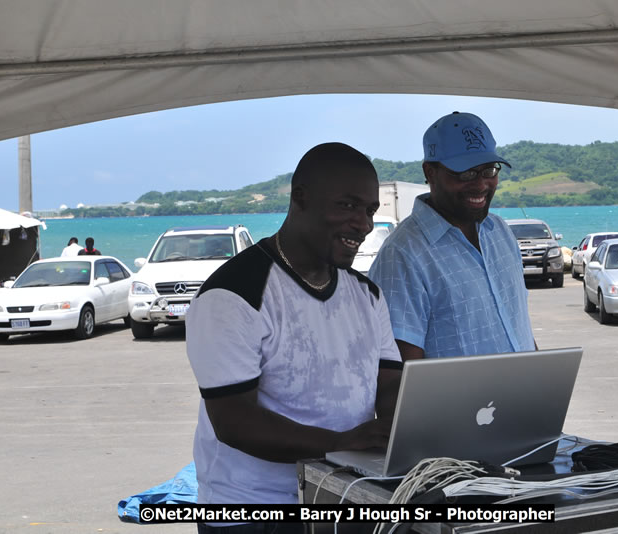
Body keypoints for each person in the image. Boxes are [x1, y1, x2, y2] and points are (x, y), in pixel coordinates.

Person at [185, 142, 402, 533]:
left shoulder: (367, 296)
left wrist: (409, 427)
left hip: (342, 494)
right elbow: (234, 422)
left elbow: (389, 384)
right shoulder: (232, 295)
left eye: (370, 210)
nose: (364, 224)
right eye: (348, 206)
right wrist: (344, 443)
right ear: (300, 198)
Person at [369, 111, 535, 361]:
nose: (480, 185)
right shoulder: (402, 255)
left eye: (489, 170)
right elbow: (401, 368)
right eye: (466, 173)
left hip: (526, 398)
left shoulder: (500, 232)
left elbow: (519, 326)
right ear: (430, 172)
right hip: (461, 403)